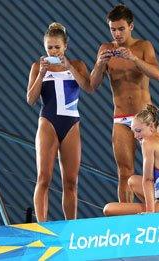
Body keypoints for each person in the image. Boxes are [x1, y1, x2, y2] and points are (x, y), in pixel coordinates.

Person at [90, 4, 159, 203]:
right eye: (113, 29)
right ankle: (126, 217)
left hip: (145, 117)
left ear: (131, 26)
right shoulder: (105, 49)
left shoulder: (143, 46)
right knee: (124, 173)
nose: (117, 33)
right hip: (121, 118)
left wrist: (134, 59)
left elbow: (157, 74)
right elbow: (92, 85)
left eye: (121, 29)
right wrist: (98, 65)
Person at [26, 22, 93, 222]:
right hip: (48, 122)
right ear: (45, 47)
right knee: (43, 178)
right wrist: (42, 74)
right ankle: (42, 226)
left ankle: (70, 226)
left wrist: (69, 67)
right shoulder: (38, 66)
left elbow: (88, 87)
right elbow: (30, 99)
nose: (53, 51)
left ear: (65, 47)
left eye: (57, 47)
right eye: (49, 47)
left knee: (71, 182)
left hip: (71, 123)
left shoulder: (78, 65)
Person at [103, 105, 159, 216]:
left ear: (151, 127)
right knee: (132, 180)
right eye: (133, 131)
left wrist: (149, 212)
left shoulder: (148, 142)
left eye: (138, 131)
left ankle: (155, 213)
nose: (135, 136)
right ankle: (155, 207)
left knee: (108, 209)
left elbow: (148, 180)